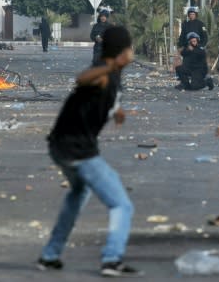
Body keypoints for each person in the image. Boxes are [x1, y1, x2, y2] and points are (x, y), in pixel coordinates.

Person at [37, 26, 143, 278]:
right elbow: (82, 79)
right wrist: (112, 65)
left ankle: (50, 256)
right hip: (78, 150)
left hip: (60, 146)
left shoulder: (113, 76)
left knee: (78, 194)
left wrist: (117, 111)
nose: (132, 53)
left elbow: (103, 98)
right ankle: (111, 259)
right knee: (121, 205)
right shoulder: (104, 73)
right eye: (128, 48)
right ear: (120, 51)